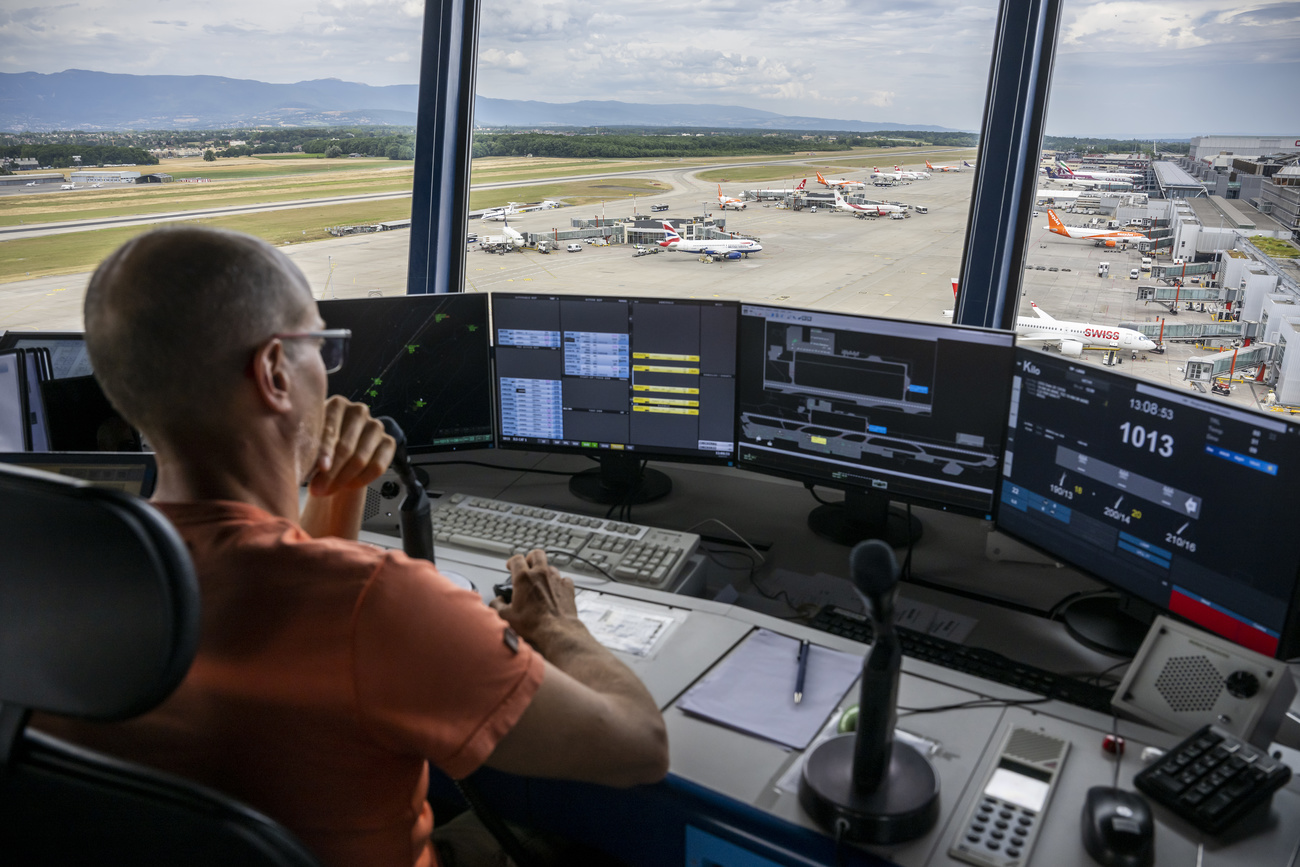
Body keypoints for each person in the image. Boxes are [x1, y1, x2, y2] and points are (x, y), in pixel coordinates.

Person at [35, 227, 668, 867]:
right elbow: (638, 747)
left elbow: (287, 604)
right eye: (319, 346)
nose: (332, 373)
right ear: (275, 371)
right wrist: (559, 628)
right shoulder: (381, 603)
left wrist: (339, 491)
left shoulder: (55, 588)